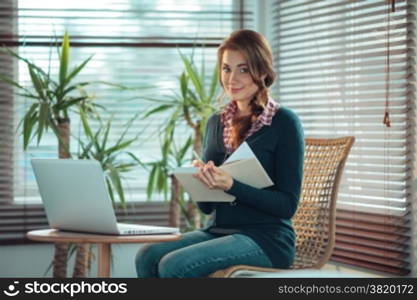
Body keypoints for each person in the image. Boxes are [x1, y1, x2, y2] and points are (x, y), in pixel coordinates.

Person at [135, 29, 304, 278]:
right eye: (226, 69)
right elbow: (206, 208)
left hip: (267, 238)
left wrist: (232, 184)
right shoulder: (216, 122)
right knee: (147, 255)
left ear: (263, 72)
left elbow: (287, 206)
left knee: (174, 265)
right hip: (218, 230)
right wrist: (200, 179)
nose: (232, 79)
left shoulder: (283, 123)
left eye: (243, 69)